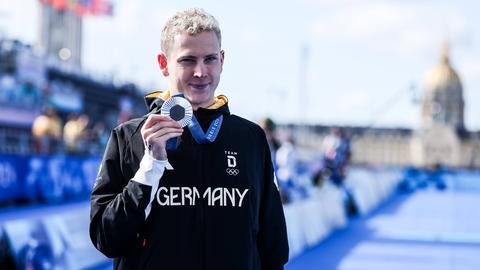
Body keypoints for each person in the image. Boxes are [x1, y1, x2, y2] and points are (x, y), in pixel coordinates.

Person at [89, 8, 289, 270]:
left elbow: (273, 248)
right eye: (187, 60)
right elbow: (107, 239)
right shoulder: (129, 138)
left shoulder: (250, 139)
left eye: (210, 59)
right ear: (164, 64)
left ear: (222, 60)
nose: (200, 72)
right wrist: (149, 168)